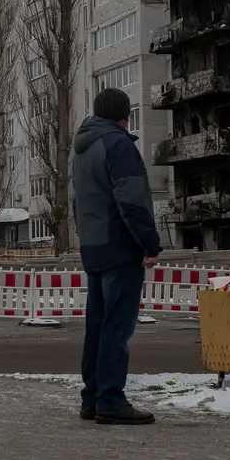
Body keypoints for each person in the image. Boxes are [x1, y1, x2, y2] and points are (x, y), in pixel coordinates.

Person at [72, 86, 163, 425]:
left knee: (97, 325)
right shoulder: (118, 144)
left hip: (94, 247)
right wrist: (149, 244)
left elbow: (78, 202)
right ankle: (110, 399)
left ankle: (93, 397)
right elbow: (133, 200)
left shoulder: (83, 148)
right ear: (125, 117)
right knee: (117, 327)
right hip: (120, 246)